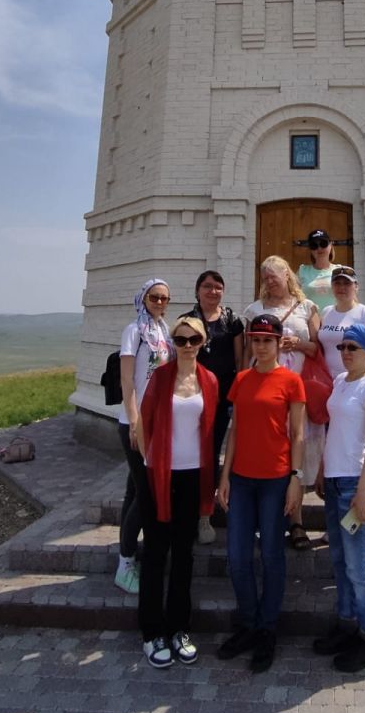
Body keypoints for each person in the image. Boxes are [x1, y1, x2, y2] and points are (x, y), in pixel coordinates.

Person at [216, 313, 306, 673]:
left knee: (271, 554)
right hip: (241, 479)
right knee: (238, 556)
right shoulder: (241, 380)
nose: (261, 345)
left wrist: (296, 478)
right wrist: (224, 475)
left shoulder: (291, 381)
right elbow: (235, 429)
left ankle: (267, 629)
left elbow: (298, 433)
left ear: (279, 342)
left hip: (274, 479)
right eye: (256, 339)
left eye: (268, 340)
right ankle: (250, 624)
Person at [137, 315, 219, 668]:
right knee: (156, 553)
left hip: (192, 476)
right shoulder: (161, 377)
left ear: (203, 343)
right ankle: (152, 632)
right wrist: (150, 463)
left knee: (184, 553)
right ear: (173, 342)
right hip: (160, 475)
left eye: (193, 340)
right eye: (181, 340)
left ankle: (178, 629)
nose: (187, 346)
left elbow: (211, 427)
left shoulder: (210, 381)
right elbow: (144, 423)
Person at [314, 323, 365, 672]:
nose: (345, 353)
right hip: (333, 480)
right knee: (340, 563)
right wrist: (321, 469)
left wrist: (362, 491)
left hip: (355, 485)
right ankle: (345, 625)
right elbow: (334, 429)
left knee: (360, 568)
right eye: (342, 347)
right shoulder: (341, 382)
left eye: (353, 348)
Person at [243, 255, 320, 549]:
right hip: (263, 391)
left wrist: (296, 343)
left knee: (296, 450)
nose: (269, 282)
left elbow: (316, 349)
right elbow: (247, 354)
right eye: (265, 277)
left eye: (274, 276)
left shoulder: (306, 308)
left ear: (287, 275)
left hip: (296, 388)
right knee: (267, 450)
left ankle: (296, 520)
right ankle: (268, 518)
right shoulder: (255, 309)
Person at [115, 277, 173, 595]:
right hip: (135, 423)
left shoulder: (163, 331)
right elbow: (128, 381)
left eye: (165, 298)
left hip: (157, 422)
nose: (160, 303)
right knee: (146, 493)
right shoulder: (134, 331)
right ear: (143, 298)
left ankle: (127, 554)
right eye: (155, 298)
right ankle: (125, 563)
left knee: (133, 491)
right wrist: (135, 421)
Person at [188, 270, 244, 544]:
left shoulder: (231, 321)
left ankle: (205, 514)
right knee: (194, 453)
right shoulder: (187, 321)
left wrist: (238, 394)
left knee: (212, 452)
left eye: (218, 287)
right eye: (207, 286)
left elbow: (239, 360)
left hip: (222, 397)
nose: (212, 291)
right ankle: (193, 510)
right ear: (197, 290)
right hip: (193, 399)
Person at [317, 266, 365, 379]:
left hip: (355, 379)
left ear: (356, 287)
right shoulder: (326, 312)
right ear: (332, 286)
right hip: (327, 379)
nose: (341, 287)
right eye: (337, 283)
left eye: (347, 283)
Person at [297, 228, 339, 311]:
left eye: (323, 244)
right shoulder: (302, 271)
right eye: (314, 245)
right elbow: (292, 297)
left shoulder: (340, 271)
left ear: (331, 245)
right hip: (309, 321)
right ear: (310, 249)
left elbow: (352, 299)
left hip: (335, 321)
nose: (319, 248)